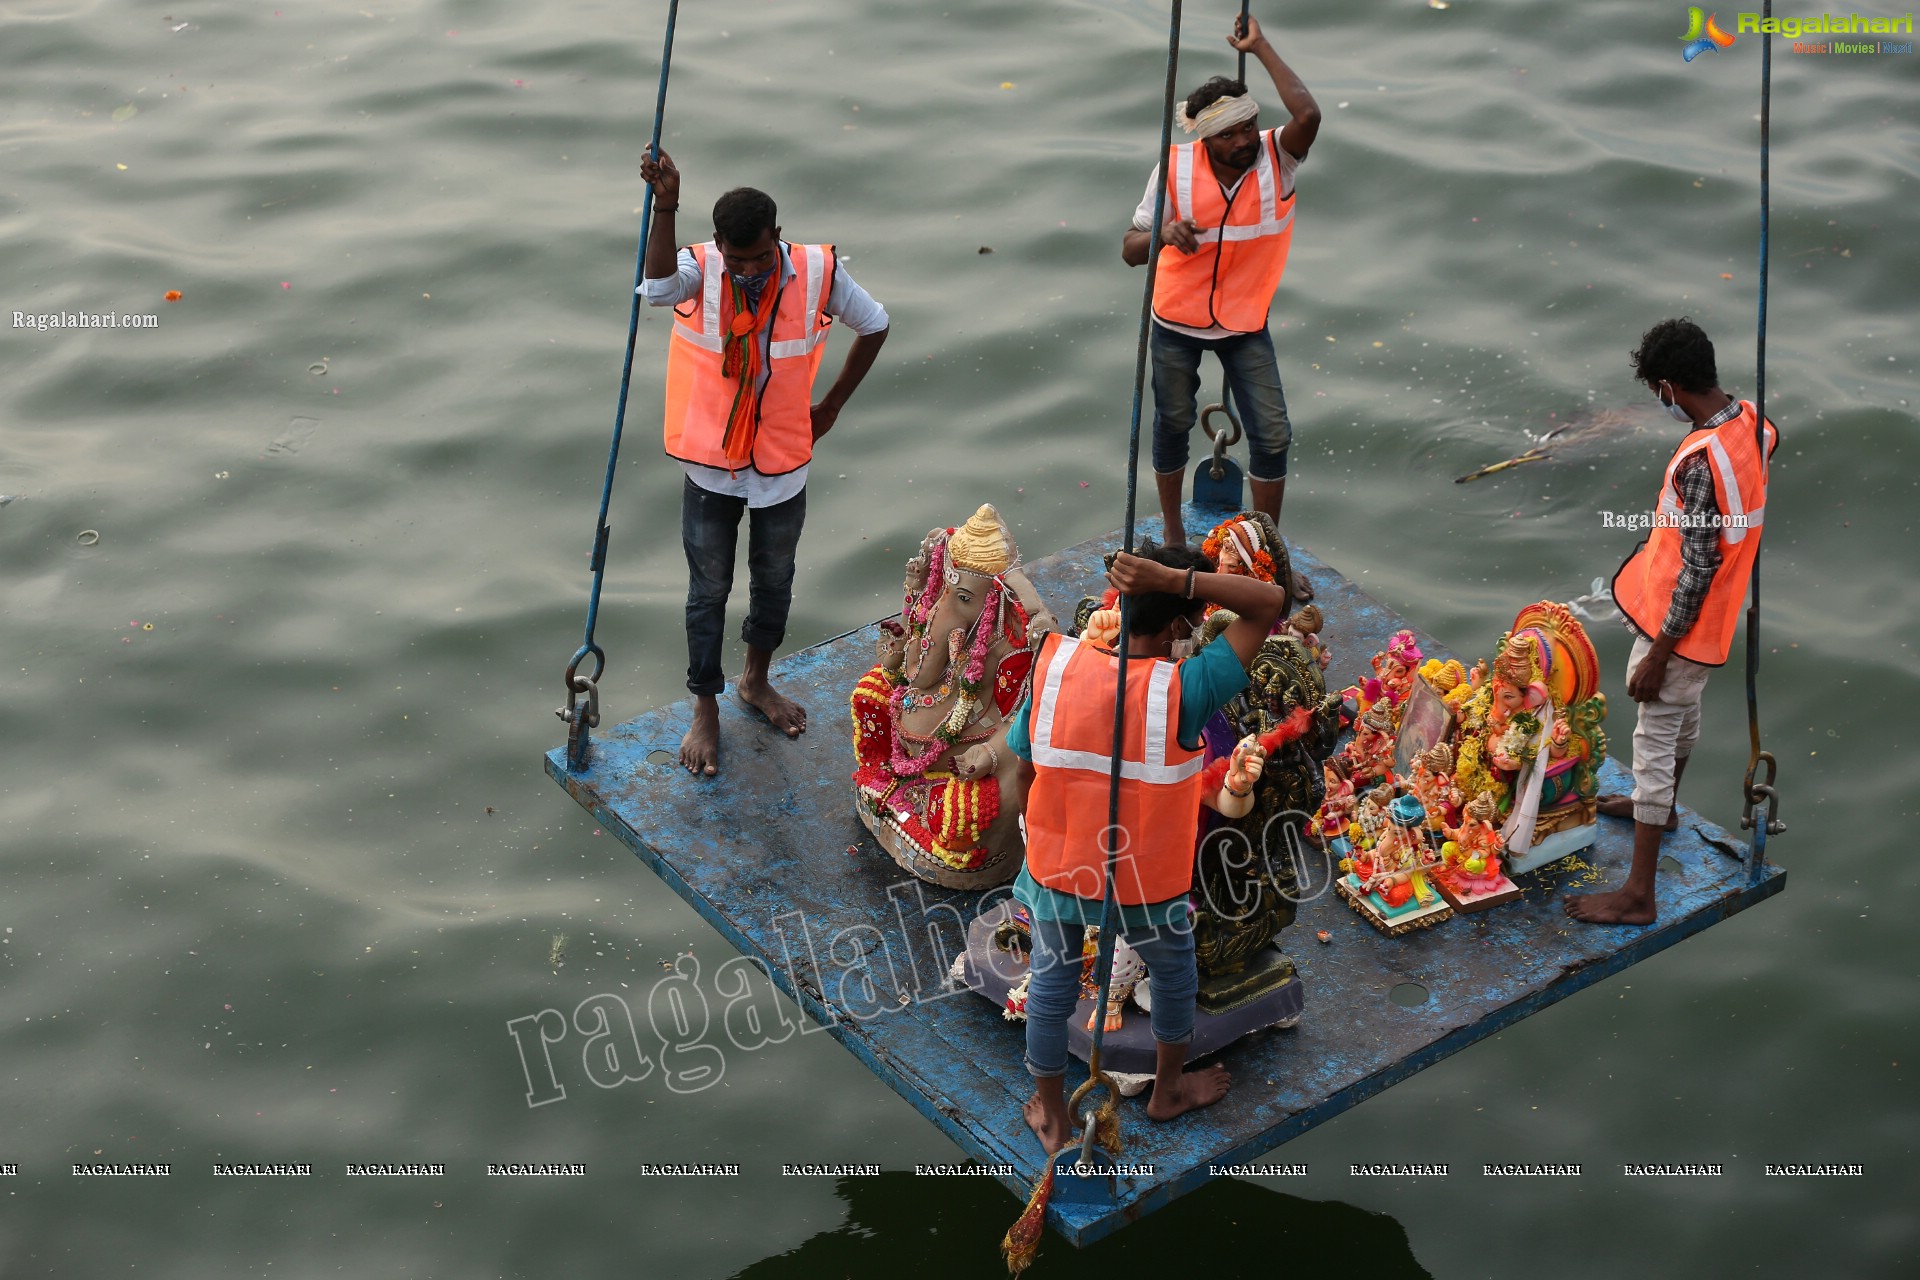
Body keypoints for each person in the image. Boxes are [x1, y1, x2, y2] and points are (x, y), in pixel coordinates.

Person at [1003, 545, 1289, 1152]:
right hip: (1148, 880)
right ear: (1183, 623)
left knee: (1051, 986)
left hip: (1060, 864)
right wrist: (1177, 579)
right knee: (1174, 973)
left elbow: (1024, 770)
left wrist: (1038, 840)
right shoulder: (1185, 688)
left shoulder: (1053, 667)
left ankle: (1052, 1115)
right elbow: (1269, 605)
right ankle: (1166, 1093)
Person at [639, 149, 890, 776]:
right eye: (738, 258)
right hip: (710, 463)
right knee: (709, 590)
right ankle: (706, 707)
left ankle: (756, 680)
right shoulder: (701, 268)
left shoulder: (815, 272)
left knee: (774, 579)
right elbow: (658, 288)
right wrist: (665, 204)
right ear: (720, 245)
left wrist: (830, 405)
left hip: (782, 461)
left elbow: (876, 324)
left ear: (778, 238)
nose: (749, 269)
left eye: (760, 256)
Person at [1565, 318, 1776, 925]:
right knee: (1683, 716)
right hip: (1712, 628)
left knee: (1653, 741)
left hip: (1681, 628)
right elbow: (1766, 456)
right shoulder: (1752, 421)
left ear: (1667, 387)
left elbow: (1698, 566)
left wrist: (1660, 650)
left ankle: (1638, 894)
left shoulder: (1702, 460)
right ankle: (1662, 807)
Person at [1121, 12, 1320, 591]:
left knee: (1273, 434)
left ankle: (1266, 552)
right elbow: (1129, 249)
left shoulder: (1276, 158)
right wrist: (1163, 236)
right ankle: (1177, 542)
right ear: (1205, 138)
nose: (1244, 142)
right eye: (1230, 135)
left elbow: (1307, 114)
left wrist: (1259, 46)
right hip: (1177, 322)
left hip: (1244, 323)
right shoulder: (1175, 168)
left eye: (1248, 127)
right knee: (1171, 425)